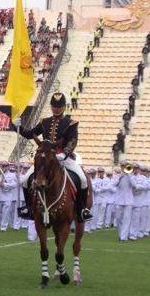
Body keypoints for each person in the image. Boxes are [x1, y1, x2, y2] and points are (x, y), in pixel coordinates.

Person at [13, 91, 93, 222]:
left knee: (83, 179)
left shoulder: (70, 123)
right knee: (26, 179)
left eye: (59, 106)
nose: (56, 109)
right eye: (54, 106)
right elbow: (30, 134)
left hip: (63, 157)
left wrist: (65, 153)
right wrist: (18, 127)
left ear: (64, 107)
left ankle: (83, 209)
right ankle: (28, 208)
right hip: (45, 158)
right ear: (51, 106)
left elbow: (73, 141)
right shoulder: (45, 122)